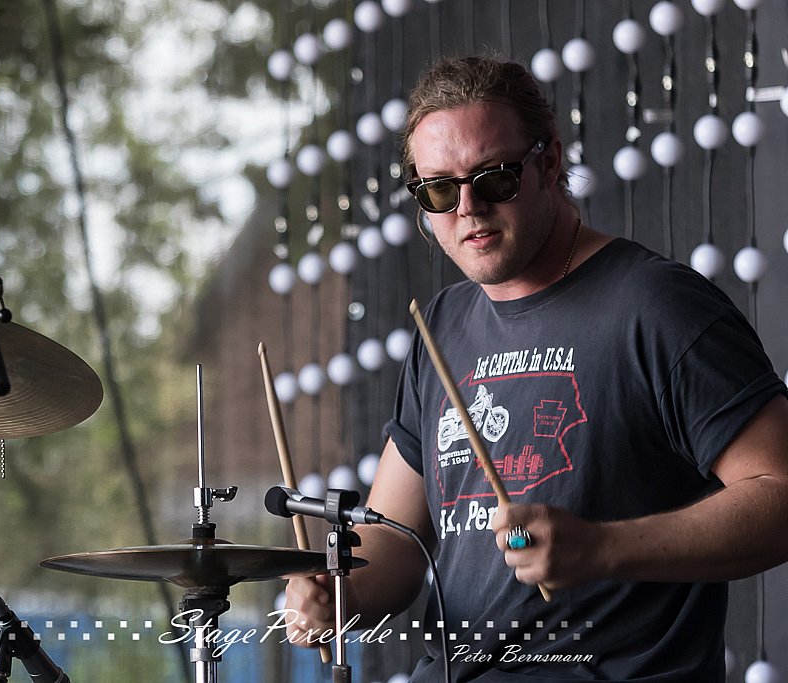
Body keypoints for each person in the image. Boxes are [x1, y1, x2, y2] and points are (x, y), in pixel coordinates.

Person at [282, 55, 788, 682]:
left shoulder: (657, 305)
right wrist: (342, 593)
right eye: (439, 190)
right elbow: (395, 542)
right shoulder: (441, 324)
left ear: (549, 164)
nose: (468, 207)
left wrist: (602, 549)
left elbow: (779, 491)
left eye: (494, 179)